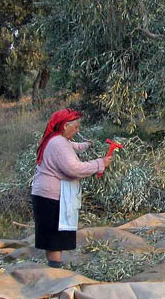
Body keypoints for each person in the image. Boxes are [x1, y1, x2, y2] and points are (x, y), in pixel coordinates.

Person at [31, 108, 112, 268]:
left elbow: (73, 146)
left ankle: (52, 267)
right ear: (65, 126)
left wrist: (88, 145)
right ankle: (55, 272)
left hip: (45, 194)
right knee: (55, 238)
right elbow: (73, 169)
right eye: (75, 127)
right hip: (50, 197)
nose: (77, 130)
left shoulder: (56, 139)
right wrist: (99, 163)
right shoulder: (58, 143)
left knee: (51, 236)